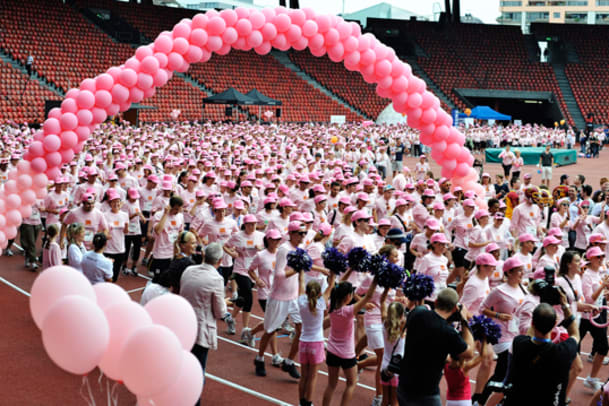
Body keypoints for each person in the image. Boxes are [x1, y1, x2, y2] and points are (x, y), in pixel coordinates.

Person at [398, 288, 474, 406]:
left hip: (404, 384)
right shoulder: (448, 332)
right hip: (426, 392)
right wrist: (464, 321)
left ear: (436, 302)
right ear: (454, 309)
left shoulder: (417, 314)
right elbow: (469, 353)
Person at [504, 298, 579, 406]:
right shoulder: (564, 351)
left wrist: (537, 318)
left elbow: (530, 335)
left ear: (532, 323)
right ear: (555, 324)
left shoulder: (519, 343)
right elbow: (575, 334)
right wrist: (565, 306)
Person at [180, 242, 228, 406]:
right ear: (220, 261)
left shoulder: (188, 270)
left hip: (183, 324)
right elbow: (220, 312)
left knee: (183, 365)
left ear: (203, 255)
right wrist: (225, 304)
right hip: (200, 329)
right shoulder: (216, 279)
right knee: (198, 370)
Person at [322, 272, 379, 406]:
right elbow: (368, 296)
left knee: (331, 384)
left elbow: (339, 285)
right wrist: (376, 278)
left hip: (331, 350)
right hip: (347, 354)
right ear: (348, 297)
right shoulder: (348, 311)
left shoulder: (331, 306)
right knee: (351, 383)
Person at [298, 268, 336, 406]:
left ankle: (301, 401)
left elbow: (301, 281)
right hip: (316, 343)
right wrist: (333, 271)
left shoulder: (301, 301)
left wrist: (301, 269)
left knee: (304, 376)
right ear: (320, 292)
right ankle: (308, 402)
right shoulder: (321, 303)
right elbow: (331, 285)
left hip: (303, 343)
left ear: (307, 292)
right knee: (313, 377)